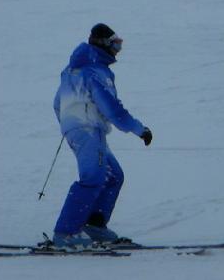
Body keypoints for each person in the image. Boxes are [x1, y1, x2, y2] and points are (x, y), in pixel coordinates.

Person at [52, 24, 152, 248]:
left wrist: (68, 126)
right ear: (103, 44)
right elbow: (112, 108)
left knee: (113, 175)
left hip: (84, 130)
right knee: (93, 177)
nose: (117, 51)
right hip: (87, 130)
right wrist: (139, 129)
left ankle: (93, 225)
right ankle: (65, 233)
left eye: (119, 45)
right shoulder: (94, 72)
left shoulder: (73, 69)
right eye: (115, 44)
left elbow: (57, 103)